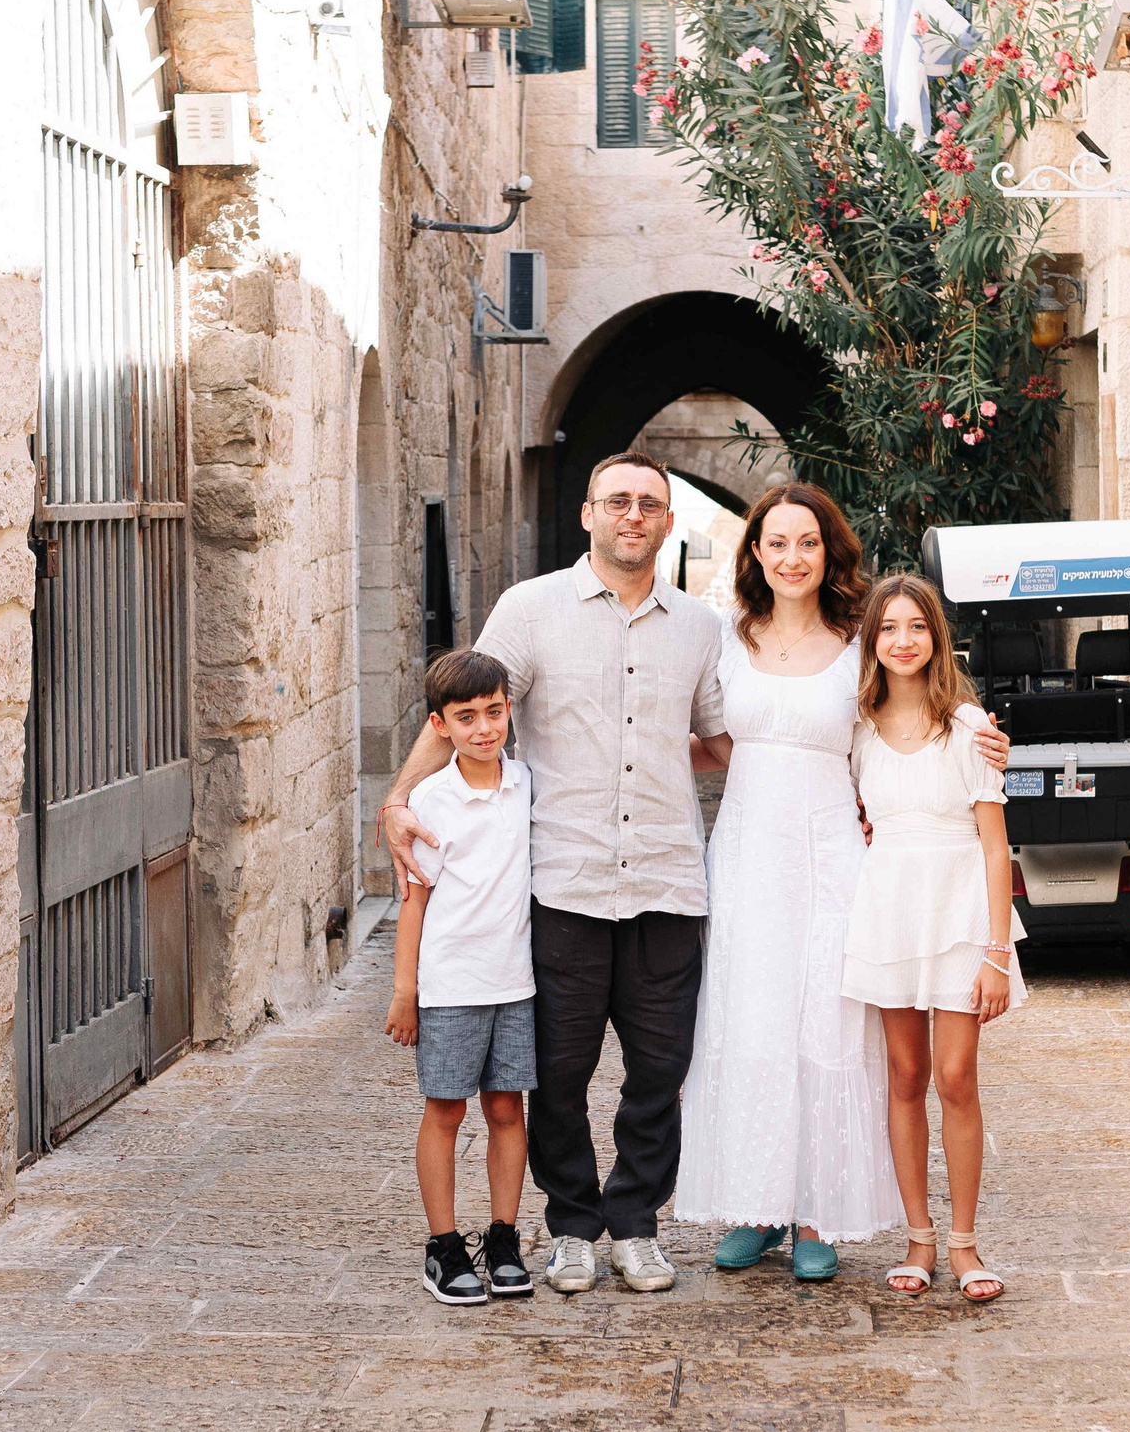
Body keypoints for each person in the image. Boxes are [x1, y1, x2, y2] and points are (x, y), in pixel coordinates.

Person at [380, 450, 725, 1294]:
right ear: (589, 513)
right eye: (618, 501)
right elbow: (466, 704)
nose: (632, 515)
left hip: (667, 884)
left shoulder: (699, 626)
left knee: (659, 1073)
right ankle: (571, 1225)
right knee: (559, 1074)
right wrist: (398, 798)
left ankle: (636, 1224)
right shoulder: (530, 611)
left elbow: (720, 741)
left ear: (668, 521)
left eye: (649, 503)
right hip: (563, 886)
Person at [672, 484, 904, 1280]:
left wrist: (979, 747)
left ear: (828, 552)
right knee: (750, 1016)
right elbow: (713, 742)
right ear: (756, 555)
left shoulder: (860, 640)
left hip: (832, 845)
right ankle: (757, 1205)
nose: (792, 557)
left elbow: (903, 726)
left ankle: (816, 1214)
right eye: (777, 543)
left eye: (807, 543)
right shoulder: (725, 640)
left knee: (826, 1020)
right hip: (745, 848)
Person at [841, 574, 1025, 1303]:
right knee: (905, 1076)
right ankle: (917, 1237)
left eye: (917, 626)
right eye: (889, 628)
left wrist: (997, 953)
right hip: (889, 911)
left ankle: (965, 1244)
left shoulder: (971, 727)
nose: (904, 640)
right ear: (873, 642)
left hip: (958, 917)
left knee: (956, 1077)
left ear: (936, 637)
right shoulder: (857, 730)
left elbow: (992, 846)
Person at [383, 649, 537, 1306]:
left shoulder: (526, 782)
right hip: (450, 985)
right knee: (445, 1110)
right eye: (466, 717)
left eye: (493, 712)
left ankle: (503, 1236)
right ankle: (444, 1246)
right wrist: (405, 991)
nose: (483, 728)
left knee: (506, 1108)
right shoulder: (427, 801)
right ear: (439, 724)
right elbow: (414, 901)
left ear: (508, 708)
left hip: (516, 983)